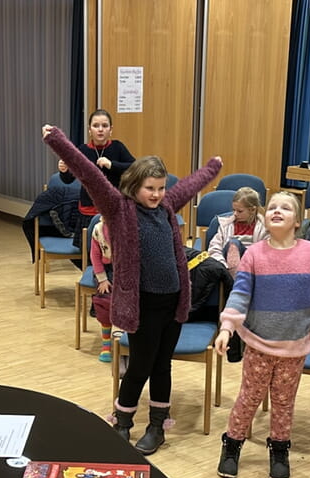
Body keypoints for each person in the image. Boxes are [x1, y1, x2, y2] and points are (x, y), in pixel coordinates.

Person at [43, 124, 222, 455]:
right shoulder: (118, 208)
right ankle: (121, 424)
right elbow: (87, 173)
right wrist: (57, 141)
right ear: (133, 186)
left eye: (160, 188)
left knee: (162, 365)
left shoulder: (166, 207)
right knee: (140, 365)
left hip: (172, 303)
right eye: (149, 188)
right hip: (143, 305)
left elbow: (190, 185)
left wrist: (213, 167)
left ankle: (158, 427)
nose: (156, 194)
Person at [214, 192, 310, 478]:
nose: (277, 211)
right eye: (272, 206)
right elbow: (240, 295)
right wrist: (226, 327)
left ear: (297, 221)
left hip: (296, 344)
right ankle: (232, 445)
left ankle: (279, 449)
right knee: (248, 398)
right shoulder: (254, 254)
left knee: (284, 402)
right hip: (260, 343)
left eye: (285, 208)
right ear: (265, 216)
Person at [58, 109, 135, 244]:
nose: (100, 130)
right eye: (96, 126)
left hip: (114, 209)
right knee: (85, 250)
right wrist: (64, 170)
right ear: (89, 130)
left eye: (104, 126)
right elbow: (68, 180)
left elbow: (136, 169)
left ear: (110, 130)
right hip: (88, 209)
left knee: (114, 250)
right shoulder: (82, 150)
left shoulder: (118, 147)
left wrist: (112, 165)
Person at [206, 187, 267, 276]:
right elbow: (214, 248)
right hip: (227, 268)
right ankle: (236, 280)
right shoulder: (226, 225)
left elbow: (266, 254)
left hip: (252, 268)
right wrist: (223, 266)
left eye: (239, 211)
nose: (235, 214)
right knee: (233, 243)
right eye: (234, 210)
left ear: (253, 210)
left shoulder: (265, 227)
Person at [89, 220, 115, 363]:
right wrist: (102, 279)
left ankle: (126, 343)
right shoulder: (98, 229)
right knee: (105, 301)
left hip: (126, 270)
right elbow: (95, 256)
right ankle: (106, 345)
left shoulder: (131, 225)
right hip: (105, 271)